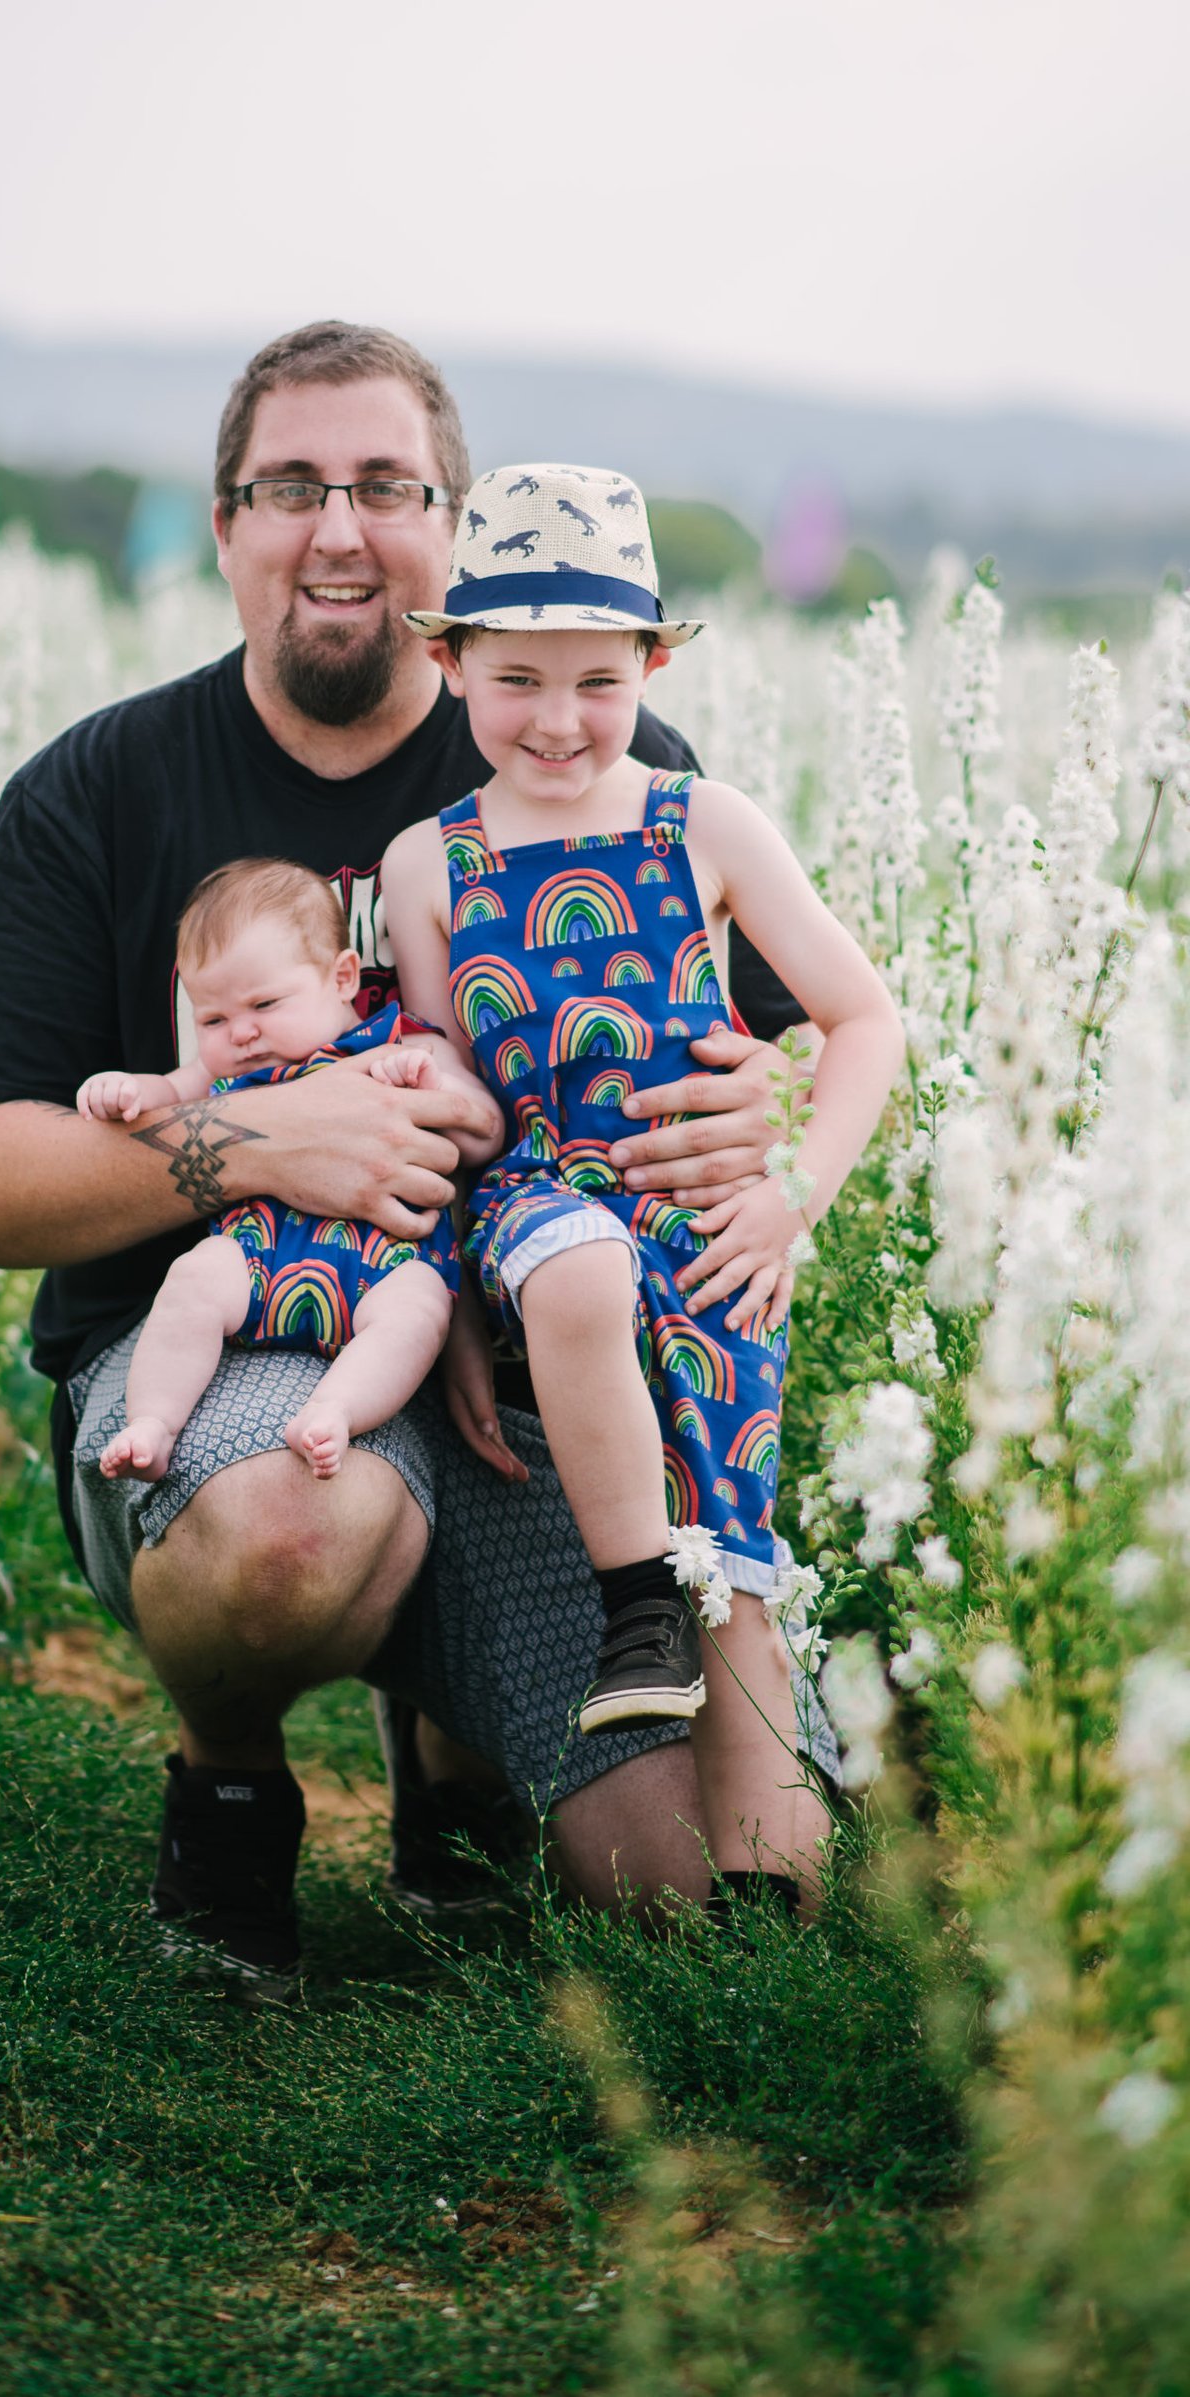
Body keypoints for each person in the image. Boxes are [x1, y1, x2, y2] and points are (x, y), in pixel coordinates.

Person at [0, 321, 832, 1995]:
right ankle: (233, 1784)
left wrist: (756, 1111)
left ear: (452, 538)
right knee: (288, 1518)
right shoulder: (97, 791)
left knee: (683, 1879)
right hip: (235, 1354)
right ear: (224, 526)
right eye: (289, 486)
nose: (337, 527)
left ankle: (457, 1759)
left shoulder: (601, 762)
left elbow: (771, 1036)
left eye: (388, 487)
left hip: (541, 1374)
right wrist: (263, 1145)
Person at [381, 464, 904, 1909]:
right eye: (518, 680)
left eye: (599, 681)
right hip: (536, 1209)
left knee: (736, 1560)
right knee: (575, 1266)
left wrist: (792, 1189)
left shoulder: (708, 825)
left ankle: (762, 1917)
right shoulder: (429, 864)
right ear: (450, 667)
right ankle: (630, 1618)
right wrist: (448, 1312)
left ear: (656, 667)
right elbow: (448, 1107)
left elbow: (865, 1021)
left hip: (710, 1229)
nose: (558, 720)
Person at [75, 857, 497, 1484]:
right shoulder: (223, 1075)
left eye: (264, 1003)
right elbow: (165, 1094)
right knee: (191, 1280)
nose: (241, 1034)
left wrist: (424, 1084)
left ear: (342, 976)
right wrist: (123, 1091)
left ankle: (334, 1411)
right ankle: (154, 1423)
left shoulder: (404, 1044)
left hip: (384, 1270)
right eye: (212, 1020)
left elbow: (483, 1129)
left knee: (420, 1311)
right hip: (253, 1263)